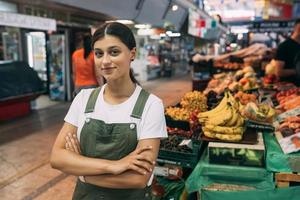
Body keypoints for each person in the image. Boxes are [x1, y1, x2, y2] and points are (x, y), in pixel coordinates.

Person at [50, 22, 168, 200]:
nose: (105, 61)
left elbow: (138, 178)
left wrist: (82, 170)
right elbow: (57, 158)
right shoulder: (83, 100)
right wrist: (113, 166)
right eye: (99, 54)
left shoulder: (151, 105)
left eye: (114, 52)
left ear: (132, 53)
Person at [272, 19, 300, 85]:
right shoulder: (284, 46)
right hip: (290, 89)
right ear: (295, 28)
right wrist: (296, 71)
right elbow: (279, 72)